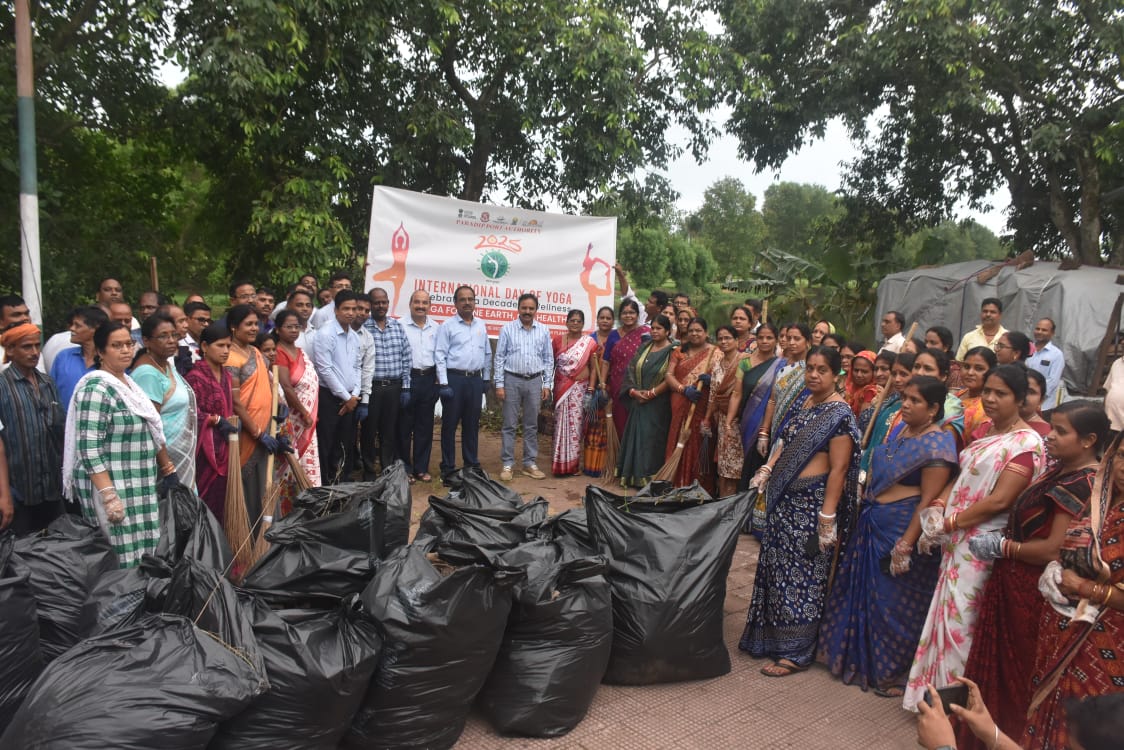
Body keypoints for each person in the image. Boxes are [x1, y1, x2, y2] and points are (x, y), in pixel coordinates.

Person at [957, 401, 1108, 750]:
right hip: (1014, 581)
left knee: (1017, 672)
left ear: (1088, 440)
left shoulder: (1083, 483)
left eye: (1061, 431)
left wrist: (1004, 547)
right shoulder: (1060, 470)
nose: (1050, 436)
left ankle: (1004, 738)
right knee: (1000, 667)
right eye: (1051, 428)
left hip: (1033, 590)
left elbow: (1053, 548)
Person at [904, 365, 1047, 711]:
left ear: (1019, 399)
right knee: (943, 616)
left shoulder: (1026, 443)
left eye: (1001, 394)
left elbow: (1000, 500)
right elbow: (961, 476)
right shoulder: (986, 431)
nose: (991, 399)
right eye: (988, 392)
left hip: (982, 545)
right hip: (957, 541)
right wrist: (940, 505)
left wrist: (948, 523)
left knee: (961, 625)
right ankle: (931, 698)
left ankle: (955, 708)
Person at [819, 377, 958, 696]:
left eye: (915, 400)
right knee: (865, 593)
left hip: (900, 527)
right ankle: (859, 659)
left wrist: (906, 543)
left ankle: (890, 673)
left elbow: (928, 501)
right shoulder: (902, 431)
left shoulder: (938, 446)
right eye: (905, 397)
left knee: (892, 603)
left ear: (933, 409)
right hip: (873, 519)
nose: (905, 404)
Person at [740, 346, 860, 676]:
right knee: (778, 570)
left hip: (811, 509)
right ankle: (773, 639)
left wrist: (827, 517)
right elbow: (784, 441)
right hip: (784, 503)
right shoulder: (804, 402)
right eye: (810, 368)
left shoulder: (839, 415)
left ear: (836, 375)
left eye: (822, 370)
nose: (814, 375)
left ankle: (796, 651)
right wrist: (768, 468)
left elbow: (839, 469)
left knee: (804, 575)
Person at [1023, 432, 1124, 749]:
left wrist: (1085, 587)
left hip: (1106, 642)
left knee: (1090, 727)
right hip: (1061, 626)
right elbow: (1071, 547)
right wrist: (1057, 567)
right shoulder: (1100, 499)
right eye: (1122, 455)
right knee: (1051, 708)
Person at [62, 322, 179, 567]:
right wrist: (109, 496)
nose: (126, 350)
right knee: (117, 560)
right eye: (116, 346)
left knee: (143, 557)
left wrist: (167, 469)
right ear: (100, 352)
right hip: (113, 488)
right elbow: (89, 449)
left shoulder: (129, 384)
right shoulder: (96, 388)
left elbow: (153, 431)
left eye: (129, 344)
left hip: (139, 486)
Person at [0, 323, 65, 533]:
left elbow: (59, 432)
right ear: (10, 350)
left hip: (52, 489)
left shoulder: (47, 383)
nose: (35, 352)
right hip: (19, 490)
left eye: (37, 346)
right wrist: (4, 495)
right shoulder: (2, 385)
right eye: (27, 347)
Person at [226, 304, 283, 517]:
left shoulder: (256, 352)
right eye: (248, 324)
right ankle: (250, 532)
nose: (254, 328)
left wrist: (280, 406)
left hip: (267, 425)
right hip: (247, 431)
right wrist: (257, 433)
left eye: (256, 324)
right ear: (234, 327)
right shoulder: (230, 357)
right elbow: (235, 402)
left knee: (267, 481)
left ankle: (270, 530)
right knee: (251, 486)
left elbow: (268, 384)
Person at [131, 313, 198, 490]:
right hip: (164, 461)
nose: (171, 340)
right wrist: (168, 468)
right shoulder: (147, 374)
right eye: (163, 336)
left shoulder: (166, 365)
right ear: (146, 341)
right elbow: (151, 425)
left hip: (180, 455)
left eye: (174, 335)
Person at [434, 285, 491, 482]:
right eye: (463, 299)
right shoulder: (447, 326)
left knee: (471, 424)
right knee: (449, 425)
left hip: (475, 380)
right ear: (455, 303)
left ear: (475, 302)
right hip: (454, 380)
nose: (467, 302)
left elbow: (487, 353)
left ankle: (471, 464)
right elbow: (440, 355)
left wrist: (486, 378)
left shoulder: (481, 325)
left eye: (470, 299)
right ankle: (448, 468)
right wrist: (444, 383)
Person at [495, 293, 553, 481]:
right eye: (524, 308)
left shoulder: (543, 330)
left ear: (536, 310)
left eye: (531, 308)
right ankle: (508, 464)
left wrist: (547, 384)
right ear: (518, 308)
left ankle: (529, 463)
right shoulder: (507, 329)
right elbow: (499, 358)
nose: (527, 311)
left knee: (531, 425)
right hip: (512, 380)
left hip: (535, 382)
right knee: (509, 424)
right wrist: (499, 384)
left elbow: (548, 359)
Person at [185, 323, 238, 522]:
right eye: (220, 345)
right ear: (205, 346)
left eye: (228, 346)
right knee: (206, 500)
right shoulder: (194, 377)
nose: (225, 351)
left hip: (225, 446)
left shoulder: (227, 376)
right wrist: (214, 420)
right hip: (205, 453)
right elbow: (191, 414)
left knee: (223, 501)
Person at [616, 314, 674, 488]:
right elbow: (630, 370)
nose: (654, 331)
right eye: (653, 328)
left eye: (659, 329)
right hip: (638, 400)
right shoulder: (644, 347)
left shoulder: (674, 350)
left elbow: (671, 377)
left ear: (668, 331)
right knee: (636, 438)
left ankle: (648, 478)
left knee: (651, 440)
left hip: (658, 404)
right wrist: (633, 392)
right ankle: (631, 475)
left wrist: (651, 394)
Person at [361, 287, 412, 478]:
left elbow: (406, 357)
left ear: (388, 303)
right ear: (370, 305)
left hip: (394, 388)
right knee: (368, 431)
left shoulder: (397, 326)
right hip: (372, 388)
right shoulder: (363, 328)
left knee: (389, 431)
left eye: (384, 302)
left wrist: (405, 387)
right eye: (376, 302)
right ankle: (368, 472)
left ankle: (386, 470)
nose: (381, 306)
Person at [311, 290, 361, 484]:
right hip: (329, 397)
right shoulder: (325, 334)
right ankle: (324, 484)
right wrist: (346, 398)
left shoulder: (354, 336)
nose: (351, 313)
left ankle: (341, 481)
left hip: (350, 398)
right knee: (327, 442)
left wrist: (354, 395)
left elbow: (357, 367)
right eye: (346, 308)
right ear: (336, 310)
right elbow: (324, 369)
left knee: (345, 442)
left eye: (354, 309)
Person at [663, 317, 716, 489]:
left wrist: (712, 381)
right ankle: (674, 482)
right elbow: (669, 375)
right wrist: (683, 389)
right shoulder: (679, 351)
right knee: (677, 436)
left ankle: (696, 485)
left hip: (702, 404)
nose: (694, 333)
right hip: (680, 400)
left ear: (706, 333)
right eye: (691, 330)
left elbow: (722, 378)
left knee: (697, 441)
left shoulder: (716, 352)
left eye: (698, 330)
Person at [272, 309, 321, 492]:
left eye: (296, 326)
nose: (294, 330)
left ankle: (310, 491)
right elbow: (286, 387)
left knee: (308, 457)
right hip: (294, 416)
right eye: (288, 327)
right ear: (278, 329)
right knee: (293, 458)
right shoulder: (279, 353)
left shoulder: (300, 352)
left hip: (308, 415)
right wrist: (303, 412)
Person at [735, 322, 782, 490]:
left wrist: (764, 431)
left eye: (769, 338)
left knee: (756, 464)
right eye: (761, 337)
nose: (764, 341)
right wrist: (729, 421)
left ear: (776, 340)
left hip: (765, 424)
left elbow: (775, 398)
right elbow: (736, 393)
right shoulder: (745, 363)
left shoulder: (781, 365)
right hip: (745, 421)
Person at [398, 290, 438, 482]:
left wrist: (438, 382)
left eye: (424, 303)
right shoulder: (399, 326)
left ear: (430, 305)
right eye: (417, 302)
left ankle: (421, 468)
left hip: (429, 379)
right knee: (403, 427)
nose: (421, 306)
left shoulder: (436, 327)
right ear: (410, 304)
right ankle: (405, 468)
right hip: (407, 380)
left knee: (425, 426)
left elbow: (440, 355)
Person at [551, 309, 597, 476]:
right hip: (561, 389)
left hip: (579, 390)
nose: (575, 323)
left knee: (575, 427)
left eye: (578, 321)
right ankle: (559, 464)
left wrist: (590, 389)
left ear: (583, 324)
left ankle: (573, 465)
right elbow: (552, 365)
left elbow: (594, 369)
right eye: (572, 320)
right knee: (560, 426)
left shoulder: (589, 343)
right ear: (566, 322)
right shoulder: (557, 341)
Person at [704, 325, 747, 496]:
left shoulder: (745, 361)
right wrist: (707, 418)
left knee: (738, 463)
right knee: (724, 463)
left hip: (741, 420)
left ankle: (736, 499)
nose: (723, 341)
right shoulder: (717, 365)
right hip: (722, 420)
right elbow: (713, 396)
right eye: (720, 338)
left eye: (728, 338)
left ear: (736, 341)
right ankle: (724, 499)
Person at [51, 306, 109, 411]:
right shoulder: (63, 357)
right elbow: (50, 393)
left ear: (95, 329)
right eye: (72, 324)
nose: (72, 328)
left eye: (77, 325)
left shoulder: (110, 361)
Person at [581, 305, 616, 478]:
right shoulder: (590, 340)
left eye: (608, 318)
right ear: (597, 320)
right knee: (592, 425)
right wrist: (590, 390)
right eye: (602, 317)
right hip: (593, 387)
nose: (605, 321)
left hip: (612, 388)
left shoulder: (616, 338)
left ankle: (606, 465)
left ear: (613, 321)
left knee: (608, 426)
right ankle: (590, 466)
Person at [606, 298, 649, 436]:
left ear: (637, 315)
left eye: (632, 312)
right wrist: (602, 384)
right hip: (617, 385)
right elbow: (606, 361)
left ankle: (633, 449)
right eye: (625, 313)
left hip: (639, 385)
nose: (628, 316)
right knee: (620, 421)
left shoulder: (646, 333)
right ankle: (619, 449)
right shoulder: (613, 335)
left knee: (637, 423)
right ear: (620, 315)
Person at [955, 346, 999, 448]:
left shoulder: (989, 406)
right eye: (966, 367)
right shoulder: (958, 394)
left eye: (979, 369)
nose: (970, 373)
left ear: (991, 372)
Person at [1027, 318, 1065, 411]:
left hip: (1044, 406)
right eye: (1037, 329)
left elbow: (1053, 381)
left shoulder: (1056, 354)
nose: (1039, 332)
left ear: (1052, 333)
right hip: (1023, 401)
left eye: (1044, 330)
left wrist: (1036, 397)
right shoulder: (1026, 349)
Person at [845, 350, 879, 417]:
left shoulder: (870, 392)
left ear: (874, 372)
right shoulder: (851, 389)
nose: (859, 375)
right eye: (856, 370)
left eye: (864, 371)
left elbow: (863, 420)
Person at [181, 300, 212, 366]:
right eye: (201, 320)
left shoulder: (211, 342)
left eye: (208, 320)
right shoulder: (179, 344)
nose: (206, 324)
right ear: (186, 319)